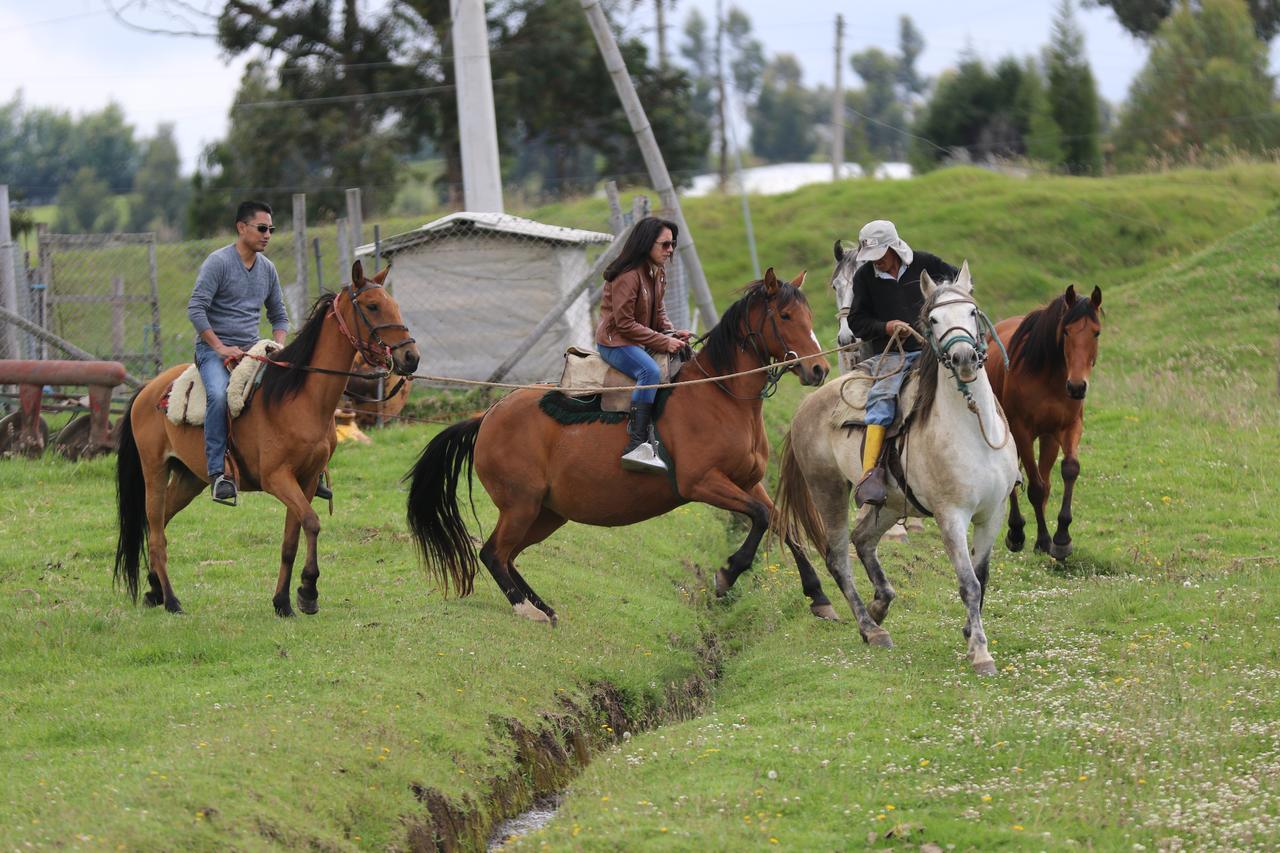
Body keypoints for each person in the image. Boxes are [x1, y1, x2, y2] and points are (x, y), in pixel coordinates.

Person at [846, 219, 958, 507]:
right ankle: (870, 473)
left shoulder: (926, 263)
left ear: (894, 248)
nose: (877, 263)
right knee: (881, 399)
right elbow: (856, 321)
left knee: (970, 380)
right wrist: (885, 327)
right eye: (871, 258)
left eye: (880, 256)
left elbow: (958, 285)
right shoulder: (864, 278)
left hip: (934, 350)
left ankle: (1001, 453)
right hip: (892, 356)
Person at [187, 200, 293, 505]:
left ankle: (303, 467)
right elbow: (196, 309)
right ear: (241, 228)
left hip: (254, 351)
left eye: (271, 229)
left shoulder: (268, 269)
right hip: (212, 352)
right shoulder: (218, 263)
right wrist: (219, 348)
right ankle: (218, 473)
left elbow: (279, 315)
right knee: (219, 395)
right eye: (262, 228)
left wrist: (278, 344)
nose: (267, 235)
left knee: (287, 390)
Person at [595, 216, 692, 473]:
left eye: (673, 244)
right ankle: (636, 445)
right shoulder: (628, 276)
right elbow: (624, 324)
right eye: (665, 244)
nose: (670, 249)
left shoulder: (657, 272)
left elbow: (659, 313)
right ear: (647, 243)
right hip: (616, 343)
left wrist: (672, 333)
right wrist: (663, 341)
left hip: (638, 340)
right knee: (648, 372)